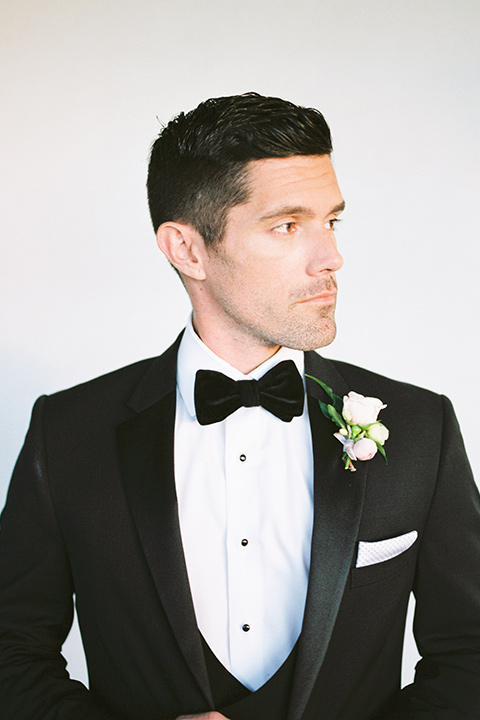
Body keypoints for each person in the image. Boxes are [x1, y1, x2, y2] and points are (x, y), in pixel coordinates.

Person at [0, 93, 479, 720]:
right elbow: (11, 654)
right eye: (287, 225)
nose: (331, 257)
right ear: (187, 250)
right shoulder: (68, 433)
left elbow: (472, 652)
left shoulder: (421, 428)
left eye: (331, 222)